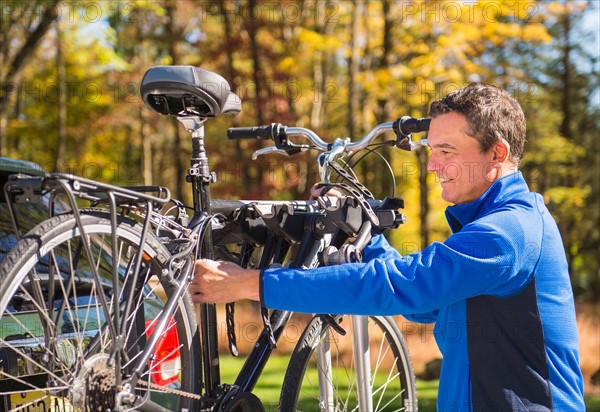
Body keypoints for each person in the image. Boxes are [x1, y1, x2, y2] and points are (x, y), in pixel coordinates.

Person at [189, 83, 585, 411]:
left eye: (446, 151)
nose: (432, 166)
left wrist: (251, 283)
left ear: (496, 153)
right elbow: (422, 303)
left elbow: (398, 285)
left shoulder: (509, 231)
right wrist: (368, 237)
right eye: (432, 152)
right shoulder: (488, 225)